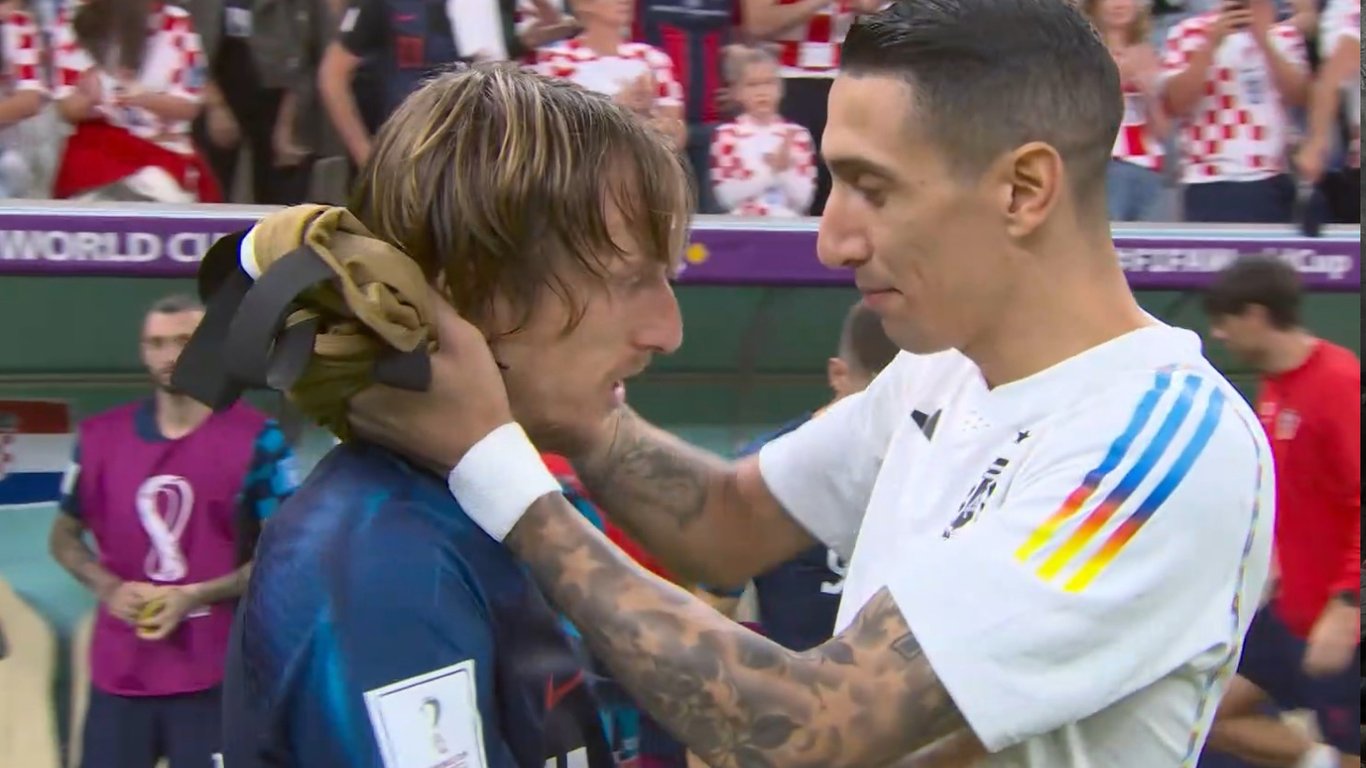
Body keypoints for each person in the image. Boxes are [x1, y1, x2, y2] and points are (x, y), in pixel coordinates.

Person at [347, 1, 1275, 766]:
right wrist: (578, 417)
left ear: (1024, 189)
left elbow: (808, 730)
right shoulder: (937, 371)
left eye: (873, 188)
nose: (833, 240)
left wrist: (493, 467)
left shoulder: (1160, 448)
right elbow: (728, 522)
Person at [205, 66, 691, 767]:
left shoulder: (500, 512)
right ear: (470, 288)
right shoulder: (384, 565)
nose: (668, 332)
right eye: (631, 280)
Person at [48, 295, 299, 768]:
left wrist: (197, 594)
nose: (170, 355)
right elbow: (63, 537)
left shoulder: (261, 441)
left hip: (216, 675)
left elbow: (286, 556)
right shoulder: (98, 438)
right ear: (143, 351)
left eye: (184, 340)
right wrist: (108, 587)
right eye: (157, 343)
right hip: (120, 676)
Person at [1202, 256, 1361, 768]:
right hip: (1289, 615)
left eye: (1224, 319)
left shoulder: (1338, 382)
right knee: (1206, 715)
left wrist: (1348, 606)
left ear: (1255, 315)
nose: (1217, 333)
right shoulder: (1275, 388)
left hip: (1340, 620)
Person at [702, 301, 898, 652]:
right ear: (837, 375)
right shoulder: (761, 471)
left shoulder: (937, 455)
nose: (886, 416)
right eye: (875, 397)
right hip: (802, 677)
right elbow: (714, 605)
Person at [49, 0, 221, 202]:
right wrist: (88, 98)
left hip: (162, 148)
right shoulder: (76, 18)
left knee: (161, 189)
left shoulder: (178, 23)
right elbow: (67, 109)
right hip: (100, 146)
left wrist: (145, 99)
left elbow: (189, 106)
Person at [1158, 0, 1309, 223]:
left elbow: (1299, 96)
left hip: (1272, 179)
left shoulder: (1285, 35)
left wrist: (1264, 41)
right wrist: (1211, 43)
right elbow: (1175, 104)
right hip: (1210, 180)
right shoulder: (1187, 32)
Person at [1082, 0, 1170, 222]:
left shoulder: (1149, 54)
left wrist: (1149, 93)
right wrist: (1120, 77)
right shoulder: (1081, 54)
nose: (1119, 4)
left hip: (1149, 168)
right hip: (1103, 165)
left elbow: (1163, 131)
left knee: (1149, 242)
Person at [710, 44, 818, 218]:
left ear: (780, 88)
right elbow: (727, 197)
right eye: (752, 85)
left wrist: (785, 172)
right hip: (742, 224)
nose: (762, 92)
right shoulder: (726, 136)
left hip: (788, 225)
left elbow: (804, 200)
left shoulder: (797, 135)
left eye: (769, 83)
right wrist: (772, 171)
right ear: (737, 92)